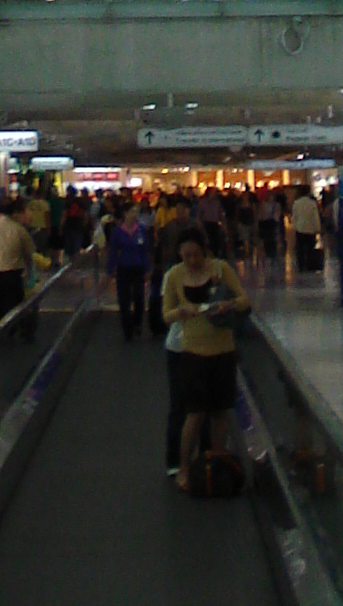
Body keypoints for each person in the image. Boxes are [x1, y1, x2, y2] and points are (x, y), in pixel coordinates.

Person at [162, 225, 250, 490]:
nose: (191, 261)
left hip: (223, 351)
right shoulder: (175, 276)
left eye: (196, 255)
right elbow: (165, 315)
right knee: (194, 413)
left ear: (204, 252)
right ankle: (184, 467)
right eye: (186, 256)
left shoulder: (221, 269)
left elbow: (245, 299)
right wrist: (181, 311)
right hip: (193, 352)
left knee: (219, 412)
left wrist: (230, 304)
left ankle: (216, 460)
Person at [0, 195, 33, 324]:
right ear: (14, 211)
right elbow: (29, 253)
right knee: (14, 312)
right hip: (13, 277)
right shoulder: (19, 230)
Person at [105, 204, 151, 340]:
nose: (134, 215)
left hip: (138, 267)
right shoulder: (118, 232)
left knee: (139, 296)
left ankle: (137, 322)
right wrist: (110, 270)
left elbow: (145, 250)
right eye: (132, 212)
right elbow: (113, 252)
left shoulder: (141, 230)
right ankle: (127, 329)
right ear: (125, 213)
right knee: (124, 299)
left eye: (136, 212)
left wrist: (147, 268)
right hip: (123, 268)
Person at [290, 183, 322, 276]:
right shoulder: (312, 203)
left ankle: (301, 266)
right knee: (310, 248)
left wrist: (295, 227)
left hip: (300, 229)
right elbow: (315, 217)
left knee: (300, 248)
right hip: (310, 229)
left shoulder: (296, 203)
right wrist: (318, 228)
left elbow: (294, 217)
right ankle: (310, 265)